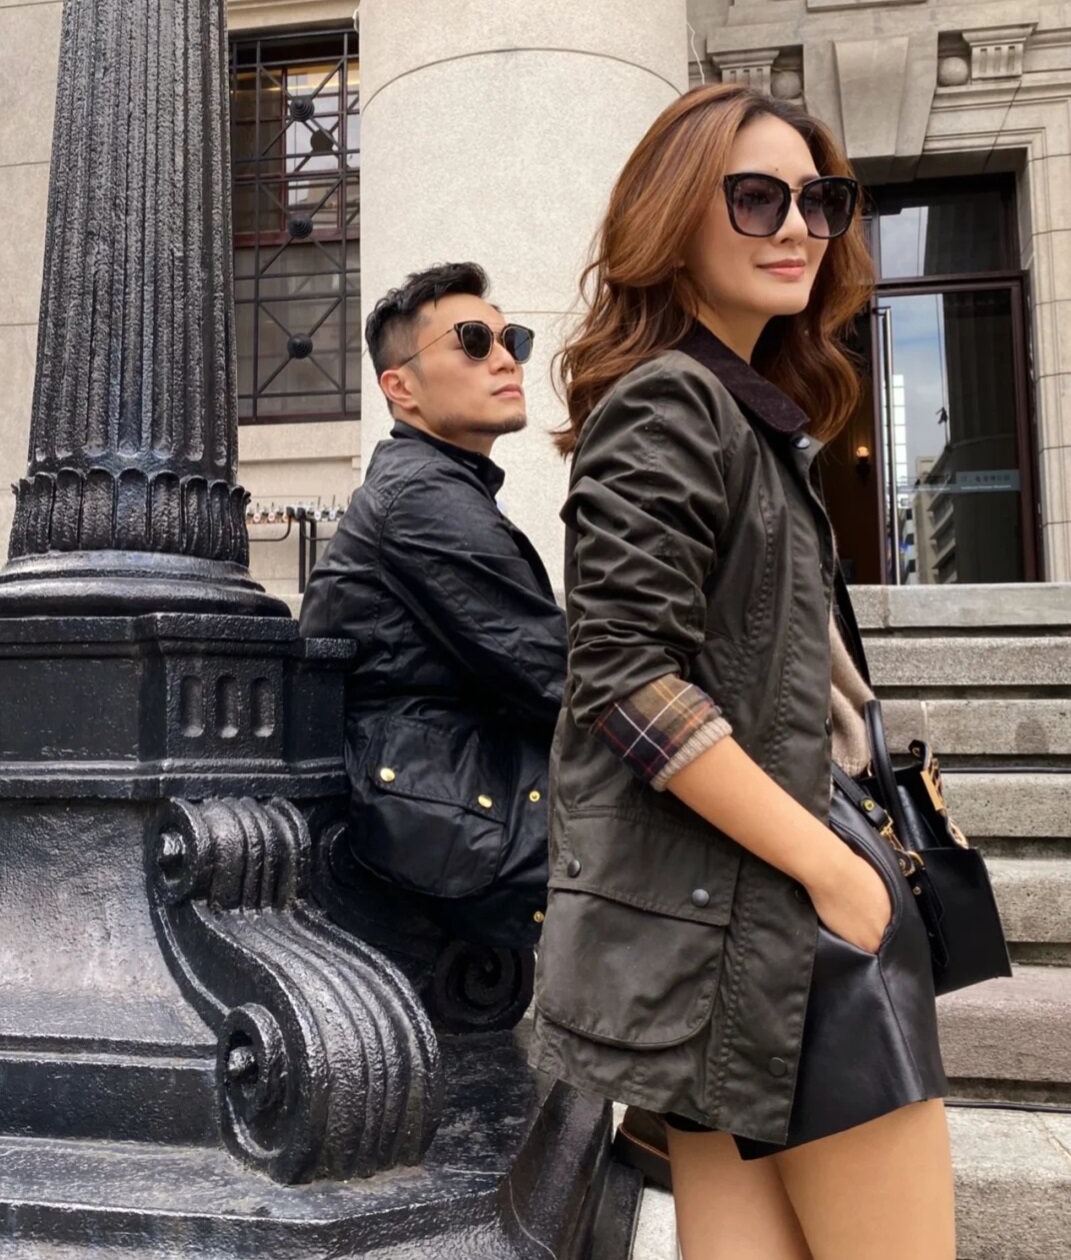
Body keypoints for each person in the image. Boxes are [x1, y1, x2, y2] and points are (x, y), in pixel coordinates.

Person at [527, 85, 954, 1260]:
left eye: (821, 200)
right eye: (757, 197)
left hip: (733, 931)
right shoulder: (675, 400)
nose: (798, 226)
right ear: (674, 219)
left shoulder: (737, 410)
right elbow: (624, 676)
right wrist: (835, 873)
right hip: (780, 921)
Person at [300, 261, 566, 951]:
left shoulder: (441, 487)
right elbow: (556, 678)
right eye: (473, 342)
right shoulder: (423, 498)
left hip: (452, 809)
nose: (505, 359)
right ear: (401, 387)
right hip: (446, 830)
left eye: (512, 340)